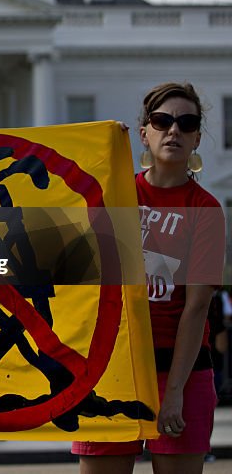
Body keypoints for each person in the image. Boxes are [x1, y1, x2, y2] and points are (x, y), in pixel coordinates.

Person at [74, 82, 224, 474]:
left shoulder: (205, 209)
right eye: (163, 121)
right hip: (113, 367)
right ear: (145, 132)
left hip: (181, 373)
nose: (174, 130)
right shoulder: (116, 194)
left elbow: (196, 308)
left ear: (195, 139)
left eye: (186, 123)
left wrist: (173, 394)